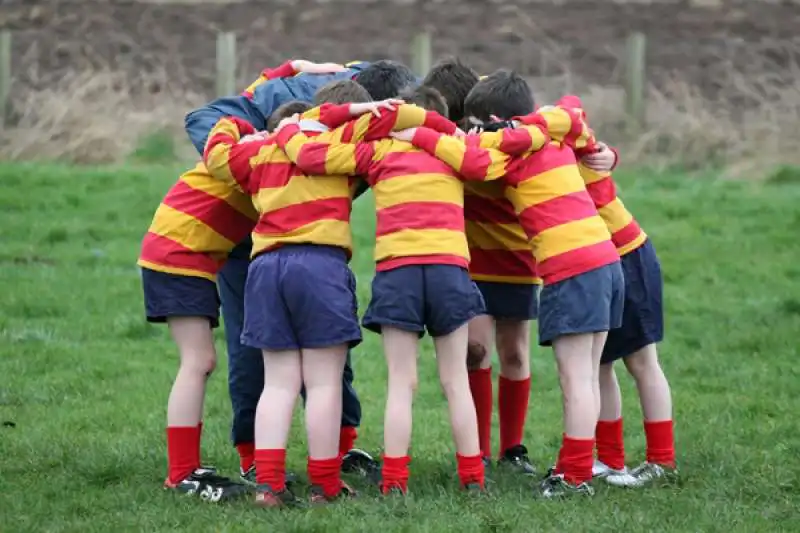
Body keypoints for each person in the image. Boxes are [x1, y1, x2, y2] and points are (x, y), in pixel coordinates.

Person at [270, 86, 548, 494]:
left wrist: (291, 130)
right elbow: (486, 164)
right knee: (455, 378)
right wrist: (434, 131)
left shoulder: (380, 152)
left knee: (403, 381)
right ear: (439, 116)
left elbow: (314, 157)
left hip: (398, 271)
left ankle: (395, 482)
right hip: (449, 269)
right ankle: (473, 478)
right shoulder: (453, 147)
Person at [389, 69, 625, 498]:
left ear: (493, 119)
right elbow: (571, 109)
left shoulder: (507, 146)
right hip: (605, 263)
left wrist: (419, 136)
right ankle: (576, 469)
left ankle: (574, 476)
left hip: (568, 268)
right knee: (585, 376)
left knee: (575, 380)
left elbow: (472, 158)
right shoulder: (548, 134)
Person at [183, 59, 418, 482]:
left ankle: (268, 482)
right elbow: (390, 135)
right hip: (321, 267)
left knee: (277, 383)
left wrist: (250, 130)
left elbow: (218, 150)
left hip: (265, 267)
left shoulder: (259, 155)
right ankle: (326, 483)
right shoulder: (345, 159)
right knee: (325, 381)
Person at [137, 59, 348, 502]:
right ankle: (181, 473)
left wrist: (289, 69)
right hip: (179, 253)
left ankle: (191, 470)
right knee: (198, 362)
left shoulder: (252, 151)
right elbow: (237, 116)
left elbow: (251, 100)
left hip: (179, 251)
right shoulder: (259, 158)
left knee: (205, 363)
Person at [548, 97, 676, 487]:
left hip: (626, 255)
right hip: (595, 265)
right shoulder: (546, 150)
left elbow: (572, 108)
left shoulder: (569, 149)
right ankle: (610, 459)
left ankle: (662, 460)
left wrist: (603, 151)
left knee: (641, 362)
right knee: (599, 364)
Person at [423, 58, 541, 474]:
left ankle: (513, 450)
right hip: (472, 264)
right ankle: (481, 450)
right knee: (475, 351)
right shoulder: (454, 143)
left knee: (514, 352)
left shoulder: (521, 141)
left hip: (518, 263)